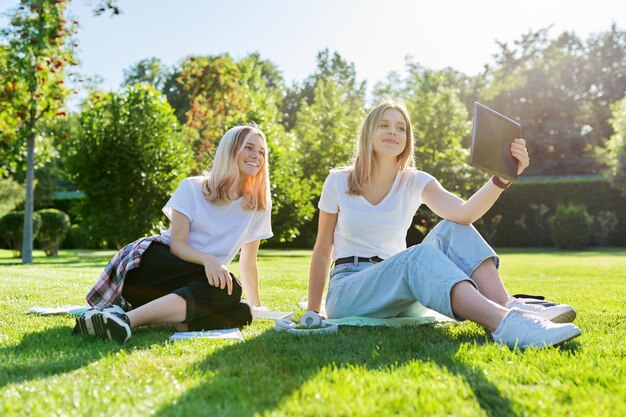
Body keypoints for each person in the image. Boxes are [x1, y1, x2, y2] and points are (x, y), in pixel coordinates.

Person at [306, 99, 581, 349]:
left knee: (453, 226)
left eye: (401, 128)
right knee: (415, 257)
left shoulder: (415, 180)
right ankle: (506, 324)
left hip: (401, 289)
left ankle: (508, 304)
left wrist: (501, 179)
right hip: (350, 288)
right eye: (384, 125)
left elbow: (464, 213)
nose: (393, 131)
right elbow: (321, 250)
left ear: (407, 139)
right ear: (368, 132)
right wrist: (314, 309)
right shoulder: (338, 181)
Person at [74, 124, 273, 343]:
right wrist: (208, 260)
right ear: (231, 150)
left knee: (242, 312)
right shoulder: (193, 187)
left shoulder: (258, 206)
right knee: (230, 289)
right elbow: (178, 245)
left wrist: (256, 306)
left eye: (262, 152)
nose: (257, 156)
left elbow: (248, 261)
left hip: (191, 284)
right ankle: (127, 321)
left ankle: (134, 318)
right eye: (249, 148)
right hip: (150, 266)